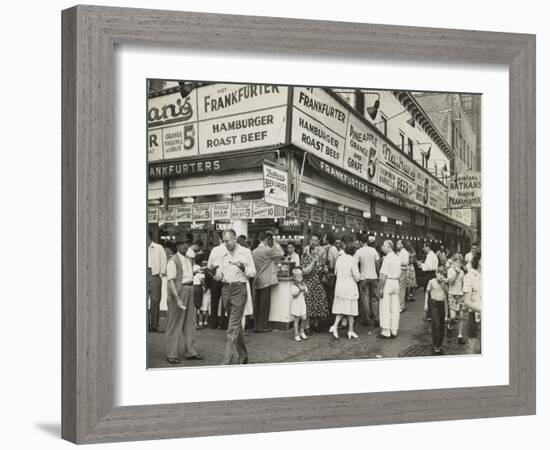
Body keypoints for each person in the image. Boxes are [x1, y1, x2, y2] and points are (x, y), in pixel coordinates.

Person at [210, 229, 256, 365]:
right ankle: (243, 355)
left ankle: (226, 360)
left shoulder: (245, 252)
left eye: (227, 241)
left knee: (232, 327)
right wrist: (213, 274)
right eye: (223, 241)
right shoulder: (221, 253)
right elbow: (220, 276)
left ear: (235, 238)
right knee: (235, 325)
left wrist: (243, 268)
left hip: (239, 288)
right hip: (226, 289)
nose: (225, 244)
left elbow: (253, 272)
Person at [165, 240, 202, 364]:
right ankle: (171, 354)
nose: (185, 246)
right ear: (177, 246)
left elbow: (187, 275)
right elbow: (170, 282)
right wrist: (178, 299)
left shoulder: (188, 259)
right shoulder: (173, 261)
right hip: (179, 291)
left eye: (187, 243)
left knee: (190, 322)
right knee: (175, 323)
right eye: (182, 244)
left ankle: (191, 351)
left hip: (189, 289)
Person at [251, 231, 284, 332]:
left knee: (257, 304)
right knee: (264, 305)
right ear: (266, 240)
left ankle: (256, 325)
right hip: (265, 280)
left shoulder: (254, 251)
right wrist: (276, 244)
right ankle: (263, 326)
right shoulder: (268, 250)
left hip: (256, 280)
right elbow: (281, 253)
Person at [330, 244, 361, 339]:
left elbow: (335, 272)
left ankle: (348, 330)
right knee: (350, 310)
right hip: (350, 288)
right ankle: (342, 328)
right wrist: (360, 276)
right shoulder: (353, 261)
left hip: (339, 287)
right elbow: (357, 277)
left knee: (342, 309)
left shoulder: (339, 259)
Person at [301, 239, 330, 332]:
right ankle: (307, 326)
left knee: (319, 305)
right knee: (309, 306)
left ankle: (316, 323)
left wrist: (325, 269)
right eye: (317, 250)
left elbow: (323, 268)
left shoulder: (318, 260)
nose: (319, 252)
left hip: (317, 284)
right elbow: (305, 271)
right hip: (309, 285)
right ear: (312, 250)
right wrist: (314, 262)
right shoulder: (306, 259)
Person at [354, 234, 380, 327]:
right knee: (374, 298)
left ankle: (366, 319)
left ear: (361, 242)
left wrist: (357, 275)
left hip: (363, 277)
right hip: (373, 277)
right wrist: (377, 274)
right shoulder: (373, 250)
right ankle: (376, 318)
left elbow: (354, 264)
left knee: (365, 299)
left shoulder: (359, 252)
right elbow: (377, 263)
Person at [377, 240, 402, 339]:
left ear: (388, 246)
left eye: (383, 245)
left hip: (388, 282)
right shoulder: (397, 258)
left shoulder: (387, 259)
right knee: (395, 307)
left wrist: (381, 289)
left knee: (385, 307)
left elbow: (383, 275)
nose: (382, 247)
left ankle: (386, 331)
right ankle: (394, 329)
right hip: (396, 282)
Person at [424, 266, 449, 354]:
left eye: (443, 275)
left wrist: (446, 314)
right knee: (436, 323)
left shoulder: (444, 283)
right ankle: (435, 344)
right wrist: (426, 304)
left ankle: (439, 344)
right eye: (440, 274)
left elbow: (446, 297)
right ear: (436, 273)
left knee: (441, 325)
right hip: (433, 303)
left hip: (441, 303)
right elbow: (427, 293)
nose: (441, 276)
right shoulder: (431, 282)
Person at [148, 231, 167, 333]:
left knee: (155, 300)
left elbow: (163, 260)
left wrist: (161, 273)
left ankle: (154, 325)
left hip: (154, 274)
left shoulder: (158, 248)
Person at [206, 234, 227, 329]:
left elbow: (209, 266)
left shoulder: (214, 250)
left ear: (220, 240)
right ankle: (223, 323)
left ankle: (212, 323)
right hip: (226, 278)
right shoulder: (229, 250)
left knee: (214, 301)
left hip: (215, 277)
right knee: (224, 302)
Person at [463, 252, 481, 354]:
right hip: (475, 318)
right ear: (478, 260)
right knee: (475, 351)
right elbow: (467, 302)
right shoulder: (470, 276)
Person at [417, 242, 439, 321]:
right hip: (433, 275)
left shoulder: (430, 256)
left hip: (429, 275)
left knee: (428, 294)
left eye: (424, 247)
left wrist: (421, 264)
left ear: (428, 247)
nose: (423, 249)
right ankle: (430, 314)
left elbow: (428, 267)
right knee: (431, 295)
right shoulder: (433, 255)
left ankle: (429, 314)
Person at [446, 255, 466, 344]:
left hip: (460, 295)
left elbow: (463, 283)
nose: (458, 264)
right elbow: (451, 281)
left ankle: (460, 335)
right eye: (456, 262)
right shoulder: (450, 270)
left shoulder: (462, 272)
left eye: (460, 263)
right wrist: (456, 273)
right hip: (452, 294)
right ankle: (449, 325)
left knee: (461, 316)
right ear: (453, 262)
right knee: (453, 317)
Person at [290, 268, 308, 342]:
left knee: (304, 318)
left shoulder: (303, 284)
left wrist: (305, 290)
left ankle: (302, 331)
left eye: (301, 277)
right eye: (298, 277)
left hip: (302, 304)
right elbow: (294, 295)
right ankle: (296, 334)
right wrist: (300, 290)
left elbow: (306, 292)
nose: (300, 279)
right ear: (294, 278)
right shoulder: (293, 286)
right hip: (296, 304)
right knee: (296, 320)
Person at [396, 239, 410, 313]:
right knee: (399, 288)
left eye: (398, 244)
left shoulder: (405, 252)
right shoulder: (399, 252)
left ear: (402, 245)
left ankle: (401, 306)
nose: (397, 245)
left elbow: (406, 262)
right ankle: (400, 305)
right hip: (399, 271)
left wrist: (398, 259)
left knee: (401, 289)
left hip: (403, 271)